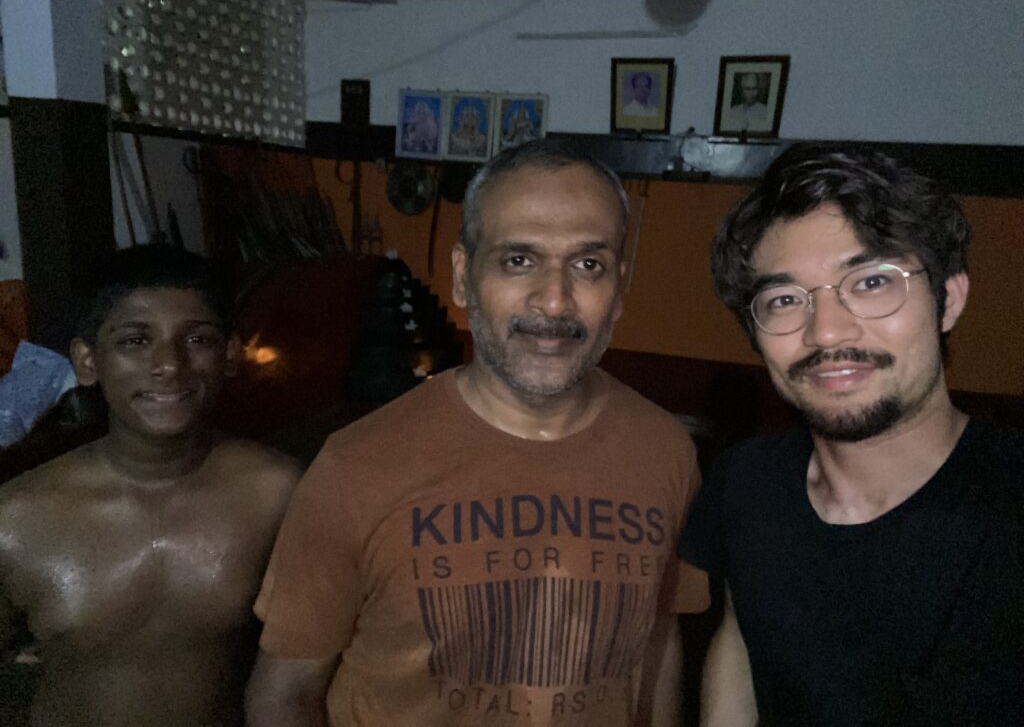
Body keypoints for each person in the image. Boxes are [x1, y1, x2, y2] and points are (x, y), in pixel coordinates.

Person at [246, 138, 709, 727]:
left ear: (618, 288)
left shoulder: (665, 452)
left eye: (588, 265)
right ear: (464, 278)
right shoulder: (354, 467)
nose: (554, 300)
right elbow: (285, 697)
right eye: (519, 260)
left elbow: (657, 643)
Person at [679, 145, 1024, 726]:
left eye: (871, 282)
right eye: (784, 299)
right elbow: (743, 637)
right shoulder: (746, 483)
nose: (827, 331)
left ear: (949, 300)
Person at [0, 245, 300, 726]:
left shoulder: (276, 493)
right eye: (135, 341)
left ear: (229, 354)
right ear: (87, 361)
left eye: (196, 339)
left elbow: (302, 668)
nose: (169, 364)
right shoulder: (15, 519)